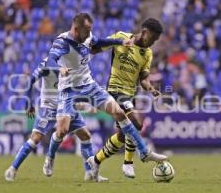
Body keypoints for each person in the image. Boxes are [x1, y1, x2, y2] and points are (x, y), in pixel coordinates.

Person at [42, 13, 167, 182]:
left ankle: (122, 156)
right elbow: (50, 60)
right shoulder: (62, 41)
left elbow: (99, 42)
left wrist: (119, 42)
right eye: (87, 30)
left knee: (123, 122)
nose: (89, 34)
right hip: (71, 89)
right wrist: (59, 68)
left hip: (90, 85)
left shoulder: (145, 52)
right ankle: (50, 158)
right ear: (77, 29)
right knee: (62, 130)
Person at [4, 56, 108, 182]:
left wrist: (83, 102)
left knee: (85, 135)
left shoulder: (73, 63)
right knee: (35, 138)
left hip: (67, 105)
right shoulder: (47, 63)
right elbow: (31, 80)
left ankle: (90, 173)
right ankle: (13, 169)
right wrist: (28, 103)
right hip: (49, 107)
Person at [87, 18, 164, 178]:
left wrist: (150, 88)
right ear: (144, 32)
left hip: (130, 95)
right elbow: (95, 49)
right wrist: (114, 42)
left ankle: (95, 161)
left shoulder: (147, 54)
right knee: (137, 123)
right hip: (115, 90)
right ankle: (128, 163)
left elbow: (143, 78)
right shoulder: (122, 36)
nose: (153, 43)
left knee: (123, 135)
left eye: (156, 40)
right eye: (152, 38)